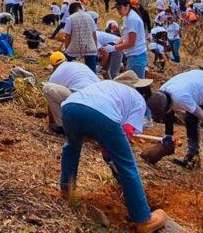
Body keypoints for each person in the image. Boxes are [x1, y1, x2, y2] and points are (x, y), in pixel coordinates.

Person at [59, 80, 168, 233]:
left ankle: (66, 189)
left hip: (70, 107)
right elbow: (126, 133)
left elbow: (107, 139)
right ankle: (143, 218)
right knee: (127, 165)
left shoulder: (114, 89)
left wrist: (108, 156)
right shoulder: (139, 103)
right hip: (101, 114)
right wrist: (114, 161)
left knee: (72, 147)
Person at [147, 69, 203, 187]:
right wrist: (168, 135)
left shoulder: (180, 98)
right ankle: (192, 159)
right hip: (200, 88)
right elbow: (168, 114)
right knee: (190, 120)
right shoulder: (161, 94)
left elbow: (201, 114)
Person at [43, 52, 100, 132]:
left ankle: (61, 126)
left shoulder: (55, 74)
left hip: (82, 104)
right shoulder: (81, 65)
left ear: (53, 66)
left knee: (48, 88)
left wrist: (51, 122)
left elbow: (51, 100)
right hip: (100, 107)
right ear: (65, 59)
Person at [114, 0, 148, 78]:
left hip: (136, 56)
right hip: (132, 56)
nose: (118, 11)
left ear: (127, 6)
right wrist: (116, 43)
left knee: (136, 84)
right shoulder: (127, 17)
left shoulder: (132, 19)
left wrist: (115, 48)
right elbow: (126, 36)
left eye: (120, 8)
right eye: (117, 8)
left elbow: (131, 42)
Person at [62, 2, 99, 71]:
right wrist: (96, 48)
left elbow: (67, 36)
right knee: (91, 72)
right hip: (90, 49)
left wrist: (66, 48)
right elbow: (94, 35)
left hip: (74, 50)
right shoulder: (90, 17)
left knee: (71, 70)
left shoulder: (70, 18)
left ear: (71, 10)